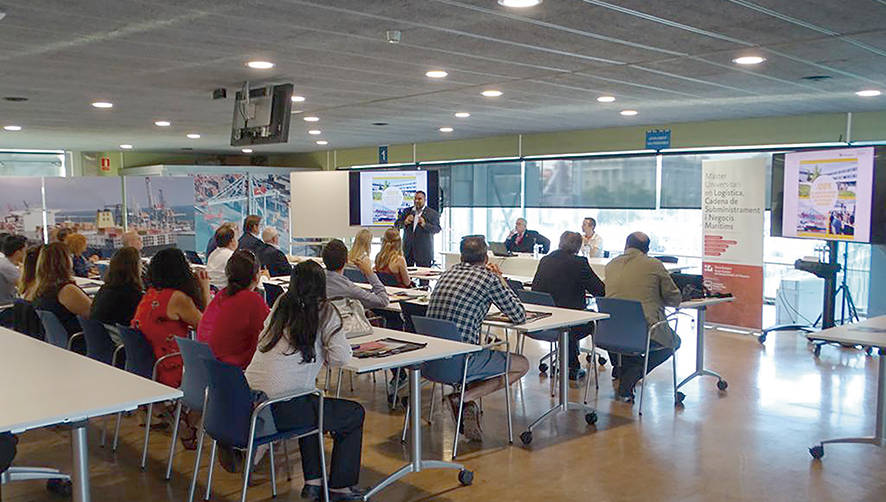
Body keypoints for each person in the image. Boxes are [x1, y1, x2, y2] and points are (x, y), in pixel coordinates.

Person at [246, 261, 365, 501]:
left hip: (250, 399)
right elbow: (341, 358)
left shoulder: (281, 304)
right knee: (353, 414)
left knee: (310, 401)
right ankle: (340, 487)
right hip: (282, 409)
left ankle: (313, 483)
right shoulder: (326, 311)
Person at [426, 236, 529, 441]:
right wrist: (500, 280)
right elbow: (519, 315)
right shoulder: (488, 278)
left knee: (481, 350)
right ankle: (464, 398)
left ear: (462, 256)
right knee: (522, 364)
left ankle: (466, 401)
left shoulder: (447, 273)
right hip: (461, 362)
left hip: (431, 360)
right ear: (486, 256)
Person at [604, 231, 682, 402]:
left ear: (626, 245)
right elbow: (674, 298)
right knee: (674, 342)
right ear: (647, 249)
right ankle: (635, 371)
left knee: (627, 338)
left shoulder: (610, 265)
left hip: (611, 331)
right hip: (645, 330)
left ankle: (625, 369)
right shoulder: (654, 265)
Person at [132, 248, 210, 389]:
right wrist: (205, 288)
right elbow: (206, 327)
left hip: (147, 363)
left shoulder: (151, 294)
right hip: (169, 367)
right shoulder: (177, 298)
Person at [532, 231, 605, 380]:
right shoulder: (580, 263)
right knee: (587, 320)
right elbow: (599, 291)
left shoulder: (545, 260)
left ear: (560, 242)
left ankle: (572, 360)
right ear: (578, 247)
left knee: (567, 312)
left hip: (543, 321)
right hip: (568, 323)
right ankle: (572, 365)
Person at [197, 250, 269, 369]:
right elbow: (270, 331)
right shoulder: (251, 300)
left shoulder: (221, 295)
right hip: (232, 371)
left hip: (210, 368)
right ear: (256, 276)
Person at [31, 242, 92, 338]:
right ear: (65, 261)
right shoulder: (67, 291)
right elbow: (95, 314)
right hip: (81, 341)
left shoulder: (40, 289)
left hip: (61, 341)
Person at [322, 240, 389, 310]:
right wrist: (369, 273)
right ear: (346, 260)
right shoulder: (349, 289)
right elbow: (383, 301)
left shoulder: (315, 281)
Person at [90, 247, 144, 328]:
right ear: (135, 267)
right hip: (119, 339)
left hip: (104, 338)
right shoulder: (132, 296)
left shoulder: (104, 289)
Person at [393, 190, 441, 267]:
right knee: (406, 277)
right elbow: (396, 225)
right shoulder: (407, 211)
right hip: (408, 251)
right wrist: (405, 222)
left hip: (424, 252)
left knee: (424, 278)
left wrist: (424, 224)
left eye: (419, 199)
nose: (416, 201)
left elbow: (437, 229)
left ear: (425, 200)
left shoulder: (432, 213)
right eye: (415, 199)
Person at [206, 225, 237, 290]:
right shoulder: (232, 256)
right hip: (225, 291)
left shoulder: (213, 254)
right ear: (232, 241)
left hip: (212, 291)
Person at [0, 235, 27, 304]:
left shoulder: (4, 262)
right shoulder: (7, 267)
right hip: (6, 304)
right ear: (18, 253)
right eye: (25, 251)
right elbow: (24, 286)